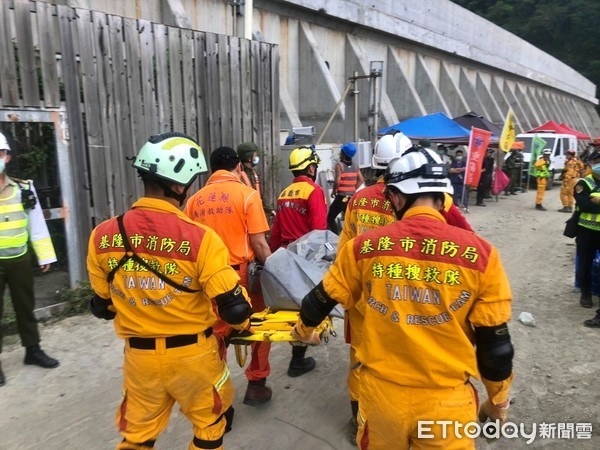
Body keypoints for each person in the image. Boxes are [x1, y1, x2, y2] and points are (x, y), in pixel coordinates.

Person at [291, 147, 514, 448]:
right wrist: (496, 401)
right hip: (446, 406)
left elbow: (319, 299)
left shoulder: (362, 248)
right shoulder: (482, 256)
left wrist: (302, 333)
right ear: (442, 197)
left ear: (396, 197)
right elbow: (495, 347)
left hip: (382, 401)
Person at [87, 132, 254, 450]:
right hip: (193, 357)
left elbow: (100, 306)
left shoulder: (102, 236)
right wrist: (244, 324)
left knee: (137, 435)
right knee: (208, 427)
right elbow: (233, 309)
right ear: (179, 186)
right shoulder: (201, 239)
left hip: (140, 360)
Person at [337, 135, 473, 445]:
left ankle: (361, 419)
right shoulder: (429, 199)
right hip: (411, 296)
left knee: (361, 360)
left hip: (364, 300)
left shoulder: (359, 198)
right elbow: (463, 241)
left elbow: (345, 249)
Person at [184, 146, 273, 406]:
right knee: (259, 326)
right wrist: (278, 273)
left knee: (214, 336)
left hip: (207, 280)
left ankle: (215, 398)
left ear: (212, 170)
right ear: (238, 167)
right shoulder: (247, 195)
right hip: (241, 278)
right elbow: (258, 244)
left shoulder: (193, 202)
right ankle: (256, 384)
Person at [0, 132, 59, 387]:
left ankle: (32, 350)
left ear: (7, 157)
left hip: (20, 259)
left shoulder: (24, 188)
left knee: (26, 307)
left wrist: (45, 255)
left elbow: (36, 223)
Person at [269, 146, 326, 376]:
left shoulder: (284, 194)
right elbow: (319, 230)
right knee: (308, 307)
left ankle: (297, 355)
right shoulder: (314, 191)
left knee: (293, 304)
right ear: (311, 167)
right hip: (306, 256)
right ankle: (297, 360)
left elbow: (276, 232)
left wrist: (271, 257)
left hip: (285, 256)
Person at [575, 150, 600, 313]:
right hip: (587, 231)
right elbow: (585, 206)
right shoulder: (583, 183)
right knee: (585, 263)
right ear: (591, 163)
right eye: (597, 160)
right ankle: (585, 294)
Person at [327, 142, 364, 234]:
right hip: (351, 197)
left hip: (341, 197)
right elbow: (361, 179)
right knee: (348, 219)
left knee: (330, 217)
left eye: (341, 151)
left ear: (343, 154)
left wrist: (334, 191)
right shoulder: (355, 165)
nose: (339, 152)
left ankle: (336, 237)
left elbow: (337, 181)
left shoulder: (339, 165)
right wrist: (353, 189)